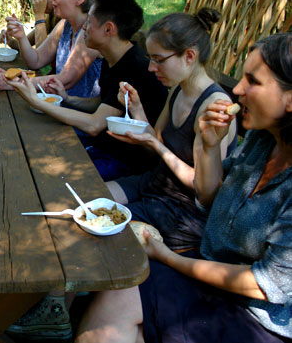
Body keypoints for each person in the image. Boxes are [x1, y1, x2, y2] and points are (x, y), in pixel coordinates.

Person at [76, 32, 292, 343]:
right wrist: (207, 146)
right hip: (211, 279)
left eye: (253, 81)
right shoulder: (262, 141)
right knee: (119, 306)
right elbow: (210, 197)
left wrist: (167, 257)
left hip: (260, 321)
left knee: (119, 301)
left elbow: (268, 284)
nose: (239, 90)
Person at [105, 9, 238, 250]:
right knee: (90, 199)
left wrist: (156, 146)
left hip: (182, 210)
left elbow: (203, 188)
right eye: (150, 58)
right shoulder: (178, 89)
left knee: (101, 224)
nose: (151, 67)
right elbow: (155, 140)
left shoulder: (214, 108)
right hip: (155, 184)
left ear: (189, 56)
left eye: (158, 59)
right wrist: (136, 109)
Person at [6, 0, 168, 180]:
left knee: (47, 175)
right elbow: (104, 102)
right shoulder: (114, 57)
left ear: (108, 29)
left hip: (127, 161)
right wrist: (68, 99)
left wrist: (37, 101)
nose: (84, 28)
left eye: (89, 22)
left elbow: (95, 125)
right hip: (105, 145)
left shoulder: (134, 68)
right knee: (31, 143)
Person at [0, 0, 103, 98]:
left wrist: (17, 83)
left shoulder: (91, 30)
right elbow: (36, 60)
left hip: (82, 113)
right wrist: (20, 36)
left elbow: (66, 80)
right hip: (61, 107)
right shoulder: (65, 24)